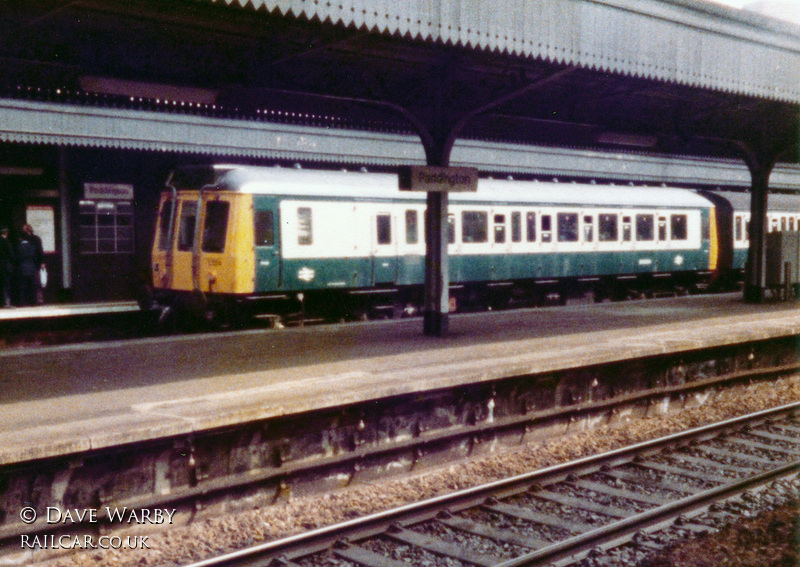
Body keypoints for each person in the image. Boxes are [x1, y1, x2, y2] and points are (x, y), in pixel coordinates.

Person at [15, 224, 44, 306]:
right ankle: (33, 301)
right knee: (33, 283)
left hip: (34, 264)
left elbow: (40, 251)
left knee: (36, 284)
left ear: (28, 231)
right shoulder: (30, 240)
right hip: (32, 264)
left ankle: (38, 300)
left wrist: (42, 262)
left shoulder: (35, 239)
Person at [0, 226, 14, 307]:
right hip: (5, 266)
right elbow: (11, 254)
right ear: (6, 233)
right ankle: (7, 303)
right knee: (6, 285)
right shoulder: (6, 241)